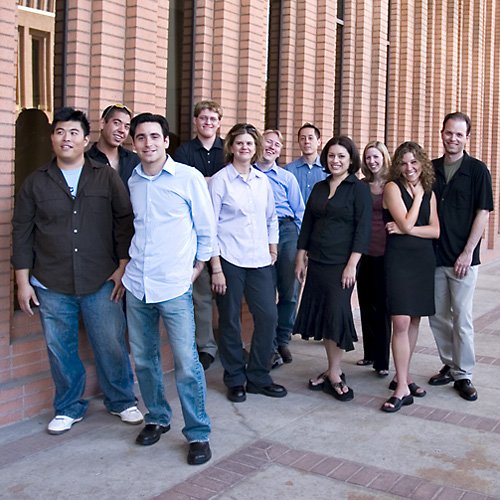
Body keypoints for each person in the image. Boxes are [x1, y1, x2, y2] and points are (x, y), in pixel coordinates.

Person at [11, 107, 143, 435]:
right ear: (52, 139)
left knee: (111, 343)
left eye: (73, 133)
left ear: (86, 140)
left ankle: (121, 400)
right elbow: (21, 232)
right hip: (51, 281)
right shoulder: (35, 183)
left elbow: (124, 221)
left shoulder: (105, 177)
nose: (66, 138)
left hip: (102, 279)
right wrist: (23, 282)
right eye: (60, 132)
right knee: (60, 349)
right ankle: (68, 407)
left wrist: (123, 266)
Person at [123, 112, 215, 465]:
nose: (147, 143)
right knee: (144, 359)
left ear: (165, 141)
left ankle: (198, 432)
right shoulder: (133, 180)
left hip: (174, 285)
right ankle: (157, 417)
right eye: (140, 137)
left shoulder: (188, 178)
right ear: (134, 143)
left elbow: (206, 229)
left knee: (187, 363)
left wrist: (196, 269)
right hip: (138, 284)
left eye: (154, 136)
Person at [209, 123, 287, 403]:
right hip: (228, 259)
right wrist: (216, 268)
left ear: (256, 149)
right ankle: (235, 379)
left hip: (259, 259)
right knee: (229, 319)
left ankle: (258, 376)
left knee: (268, 316)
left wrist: (273, 249)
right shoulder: (220, 181)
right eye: (239, 142)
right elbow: (210, 226)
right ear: (231, 146)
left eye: (250, 143)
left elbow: (271, 218)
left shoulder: (261, 181)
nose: (244, 147)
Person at [295, 136, 372, 402]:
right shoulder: (319, 186)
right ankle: (331, 369)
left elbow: (363, 230)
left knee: (336, 315)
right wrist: (300, 256)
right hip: (317, 262)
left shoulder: (358, 189)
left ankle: (335, 373)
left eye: (341, 156)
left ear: (351, 160)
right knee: (325, 316)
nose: (335, 160)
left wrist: (352, 264)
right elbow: (308, 223)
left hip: (341, 265)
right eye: (331, 155)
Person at [428, 112, 493, 401]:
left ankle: (464, 374)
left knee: (462, 318)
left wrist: (468, 252)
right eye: (448, 133)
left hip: (463, 260)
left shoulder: (477, 171)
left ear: (467, 138)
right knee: (438, 316)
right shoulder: (431, 170)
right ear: (441, 133)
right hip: (434, 257)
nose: (452, 138)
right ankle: (450, 363)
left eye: (458, 134)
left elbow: (483, 213)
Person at [381, 141, 440, 413]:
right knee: (401, 321)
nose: (409, 168)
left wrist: (407, 229)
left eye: (414, 162)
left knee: (414, 319)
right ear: (397, 165)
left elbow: (435, 231)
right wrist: (416, 200)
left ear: (422, 163)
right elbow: (405, 222)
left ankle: (402, 377)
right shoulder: (392, 188)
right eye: (404, 163)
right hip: (399, 260)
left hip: (422, 260)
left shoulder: (430, 192)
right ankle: (402, 387)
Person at [173, 100, 225, 370]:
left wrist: (204, 183)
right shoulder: (183, 151)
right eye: (203, 118)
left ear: (219, 123)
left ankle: (230, 344)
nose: (207, 123)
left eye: (212, 119)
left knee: (229, 293)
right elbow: (182, 186)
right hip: (195, 230)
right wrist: (215, 183)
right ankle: (206, 347)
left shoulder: (228, 149)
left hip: (227, 231)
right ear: (195, 121)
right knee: (201, 293)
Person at [255, 129, 305, 368]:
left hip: (286, 231)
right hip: (257, 232)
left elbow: (299, 212)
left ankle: (282, 339)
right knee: (264, 290)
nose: (272, 147)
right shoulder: (248, 174)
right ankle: (269, 344)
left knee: (289, 289)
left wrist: (302, 247)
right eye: (268, 142)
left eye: (277, 144)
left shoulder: (287, 178)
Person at [356, 141, 392, 377]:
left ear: (384, 158)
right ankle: (369, 353)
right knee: (366, 303)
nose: (372, 161)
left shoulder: (392, 185)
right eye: (368, 157)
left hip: (386, 252)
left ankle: (382, 361)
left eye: (376, 157)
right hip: (363, 252)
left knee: (383, 307)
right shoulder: (361, 185)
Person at [86, 104, 139, 189]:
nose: (122, 130)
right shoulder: (86, 160)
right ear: (102, 123)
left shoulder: (135, 161)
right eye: (116, 123)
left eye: (126, 127)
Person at [285, 123, 327, 203]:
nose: (306, 141)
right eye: (302, 138)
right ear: (298, 142)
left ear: (319, 142)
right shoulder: (289, 170)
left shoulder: (327, 169)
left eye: (310, 138)